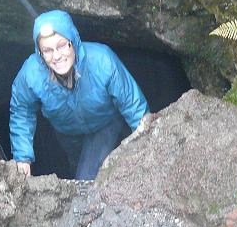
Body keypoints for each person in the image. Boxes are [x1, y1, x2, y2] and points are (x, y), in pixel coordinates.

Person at [10, 10, 149, 180]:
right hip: (67, 133)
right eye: (47, 50)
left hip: (104, 124)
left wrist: (148, 141)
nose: (56, 56)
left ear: (73, 42)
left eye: (62, 45)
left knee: (86, 176)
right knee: (76, 167)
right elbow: (21, 111)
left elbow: (132, 105)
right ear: (39, 52)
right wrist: (22, 156)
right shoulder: (31, 74)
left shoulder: (102, 61)